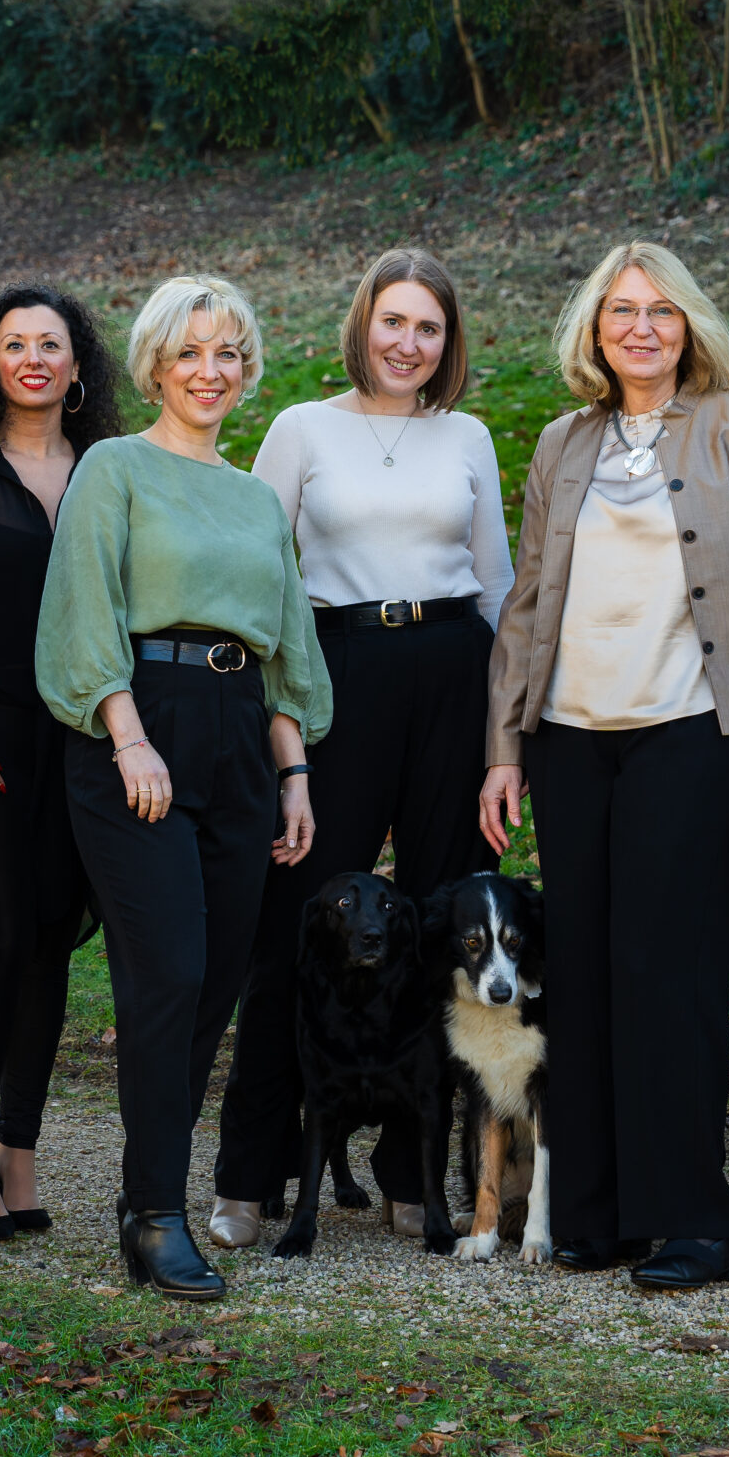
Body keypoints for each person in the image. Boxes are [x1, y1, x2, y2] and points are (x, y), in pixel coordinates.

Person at [481, 241, 729, 1291]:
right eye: (622, 311)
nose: (641, 328)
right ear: (595, 328)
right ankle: (595, 1213)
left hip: (692, 735)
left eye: (661, 311)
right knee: (581, 977)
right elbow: (527, 603)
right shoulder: (562, 441)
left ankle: (695, 1224)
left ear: (692, 325)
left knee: (670, 978)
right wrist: (504, 748)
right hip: (570, 738)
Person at [210, 248, 512, 1249]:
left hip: (452, 672)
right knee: (297, 921)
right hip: (334, 672)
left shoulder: (468, 435)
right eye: (393, 322)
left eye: (428, 327)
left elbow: (498, 586)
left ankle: (410, 1170)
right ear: (363, 324)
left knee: (436, 922)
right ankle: (251, 1169)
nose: (407, 343)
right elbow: (260, 584)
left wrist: (505, 738)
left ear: (447, 340)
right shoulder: (302, 429)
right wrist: (279, 732)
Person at [37, 275, 330, 1302]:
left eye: (229, 354)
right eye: (190, 353)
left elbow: (285, 646)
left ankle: (145, 1192)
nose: (211, 371)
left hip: (240, 735)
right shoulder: (114, 468)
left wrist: (294, 773)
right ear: (156, 366)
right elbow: (84, 608)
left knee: (214, 982)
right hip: (138, 726)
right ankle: (157, 1213)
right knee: (166, 971)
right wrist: (128, 738)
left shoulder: (254, 498)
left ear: (246, 371)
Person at [0, 285, 124, 1241]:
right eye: (14, 345)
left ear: (76, 361)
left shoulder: (110, 468)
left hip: (85, 735)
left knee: (53, 940)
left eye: (49, 344)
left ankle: (22, 1146)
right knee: (0, 940)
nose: (33, 360)